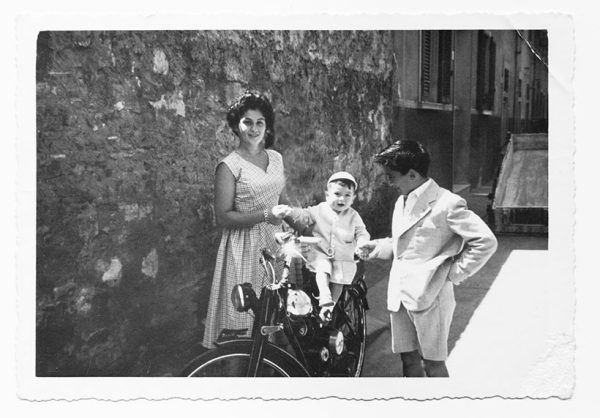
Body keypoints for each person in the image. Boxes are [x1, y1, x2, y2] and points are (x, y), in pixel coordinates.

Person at [357, 140, 498, 377]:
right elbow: (404, 243)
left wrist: (453, 273)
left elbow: (486, 241)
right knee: (408, 360)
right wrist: (379, 246)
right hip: (400, 296)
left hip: (431, 297)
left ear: (412, 174)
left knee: (432, 364)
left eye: (392, 177)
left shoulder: (447, 203)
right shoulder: (402, 200)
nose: (389, 183)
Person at [202, 91, 290, 349]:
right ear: (236, 126)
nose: (254, 128)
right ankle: (239, 378)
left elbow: (282, 200)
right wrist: (265, 215)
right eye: (247, 122)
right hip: (244, 249)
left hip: (275, 246)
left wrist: (304, 223)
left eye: (259, 122)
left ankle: (273, 373)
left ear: (267, 126)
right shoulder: (229, 166)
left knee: (275, 317)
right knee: (242, 320)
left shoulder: (276, 158)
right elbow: (223, 216)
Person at [274, 171, 370, 322]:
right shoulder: (319, 210)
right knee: (322, 269)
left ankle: (329, 307)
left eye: (347, 195)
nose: (341, 199)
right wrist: (289, 211)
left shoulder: (353, 216)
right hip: (321, 254)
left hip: (343, 258)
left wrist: (363, 245)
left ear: (353, 198)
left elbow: (362, 233)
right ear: (327, 195)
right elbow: (303, 214)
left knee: (339, 277)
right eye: (337, 194)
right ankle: (325, 297)